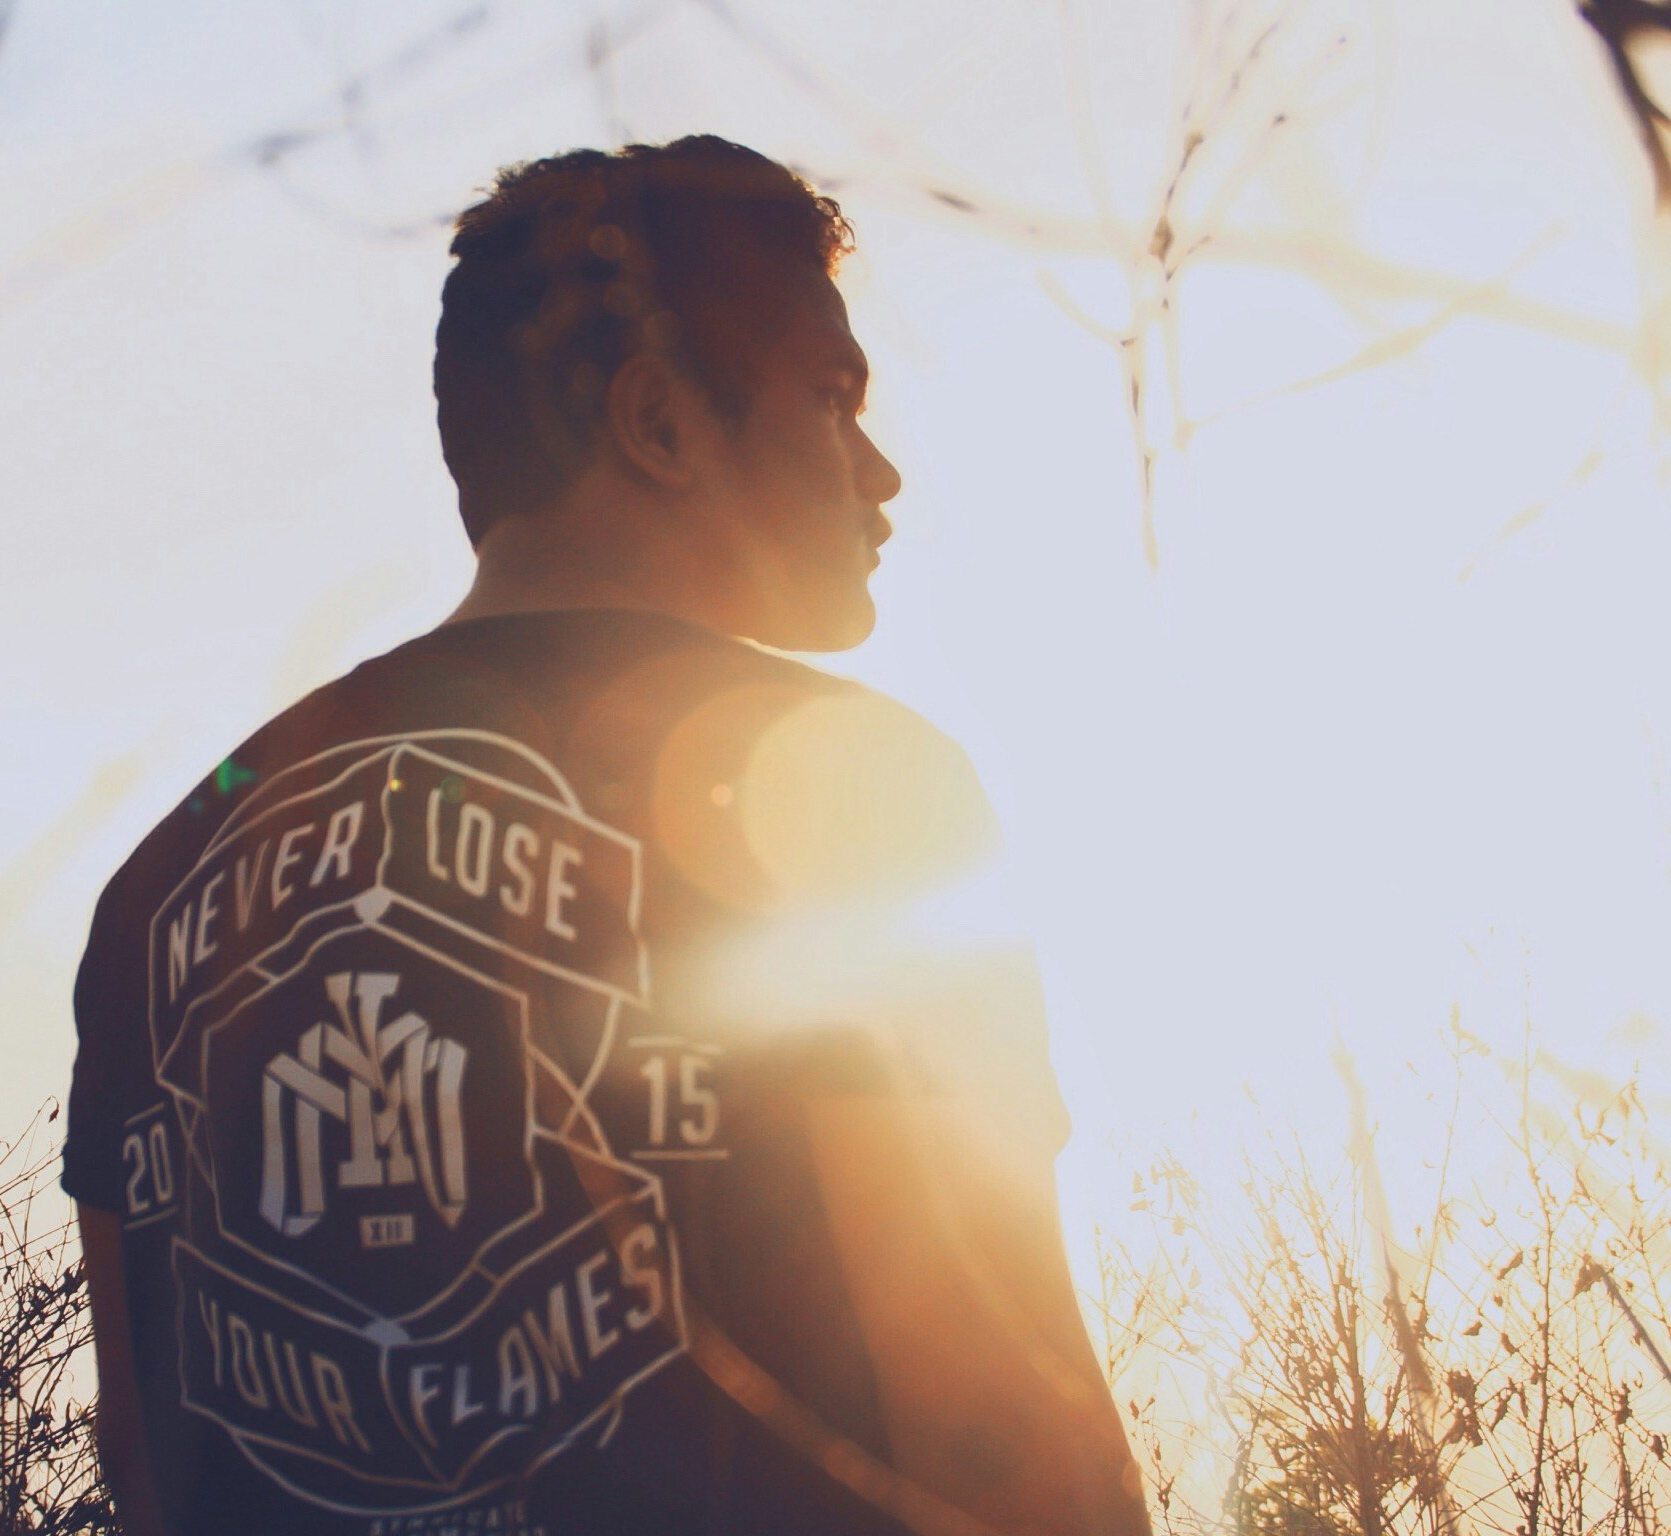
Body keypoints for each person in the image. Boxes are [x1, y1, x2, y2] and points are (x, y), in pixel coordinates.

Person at [62, 135, 1150, 1536]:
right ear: (658, 424)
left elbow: (150, 1471)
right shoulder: (838, 793)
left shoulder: (158, 891)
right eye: (831, 399)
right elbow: (1003, 1430)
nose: (880, 475)